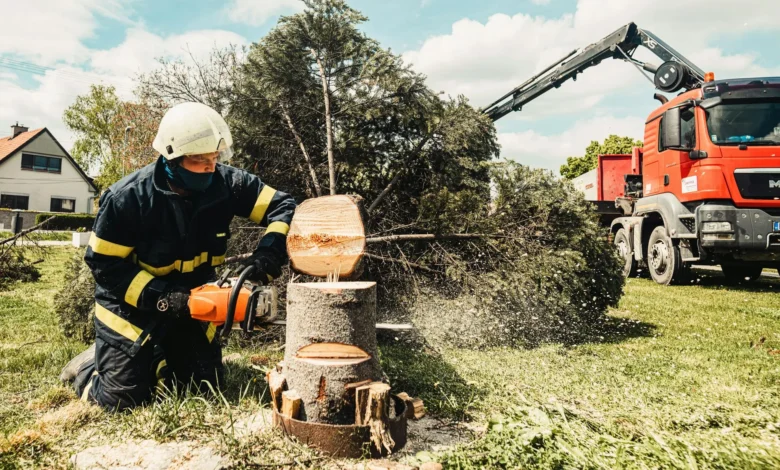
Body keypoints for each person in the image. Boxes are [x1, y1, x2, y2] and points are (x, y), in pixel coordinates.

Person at [60, 102, 297, 411]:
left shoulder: (227, 185)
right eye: (200, 161)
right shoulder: (128, 199)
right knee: (121, 402)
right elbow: (105, 265)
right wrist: (164, 298)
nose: (211, 167)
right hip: (129, 306)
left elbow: (283, 206)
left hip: (193, 301)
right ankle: (89, 367)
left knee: (204, 388)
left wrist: (267, 256)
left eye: (215, 158)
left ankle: (157, 357)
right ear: (172, 158)